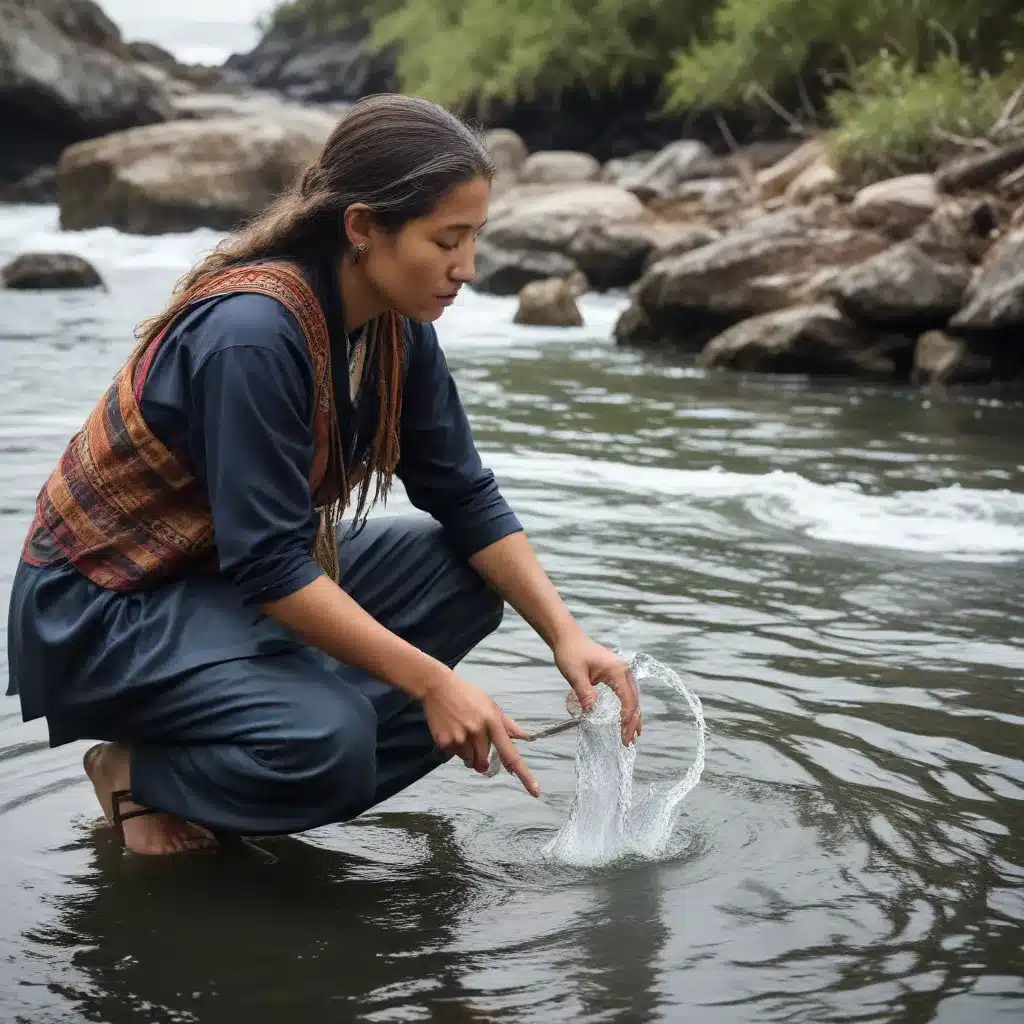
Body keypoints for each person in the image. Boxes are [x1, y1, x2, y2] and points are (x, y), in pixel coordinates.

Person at [5, 94, 641, 857]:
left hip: (212, 587)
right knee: (333, 746)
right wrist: (433, 684)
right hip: (99, 611)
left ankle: (266, 735)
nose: (467, 268)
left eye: (474, 239)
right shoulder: (250, 336)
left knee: (466, 581)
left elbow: (464, 493)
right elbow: (269, 563)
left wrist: (566, 636)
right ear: (363, 228)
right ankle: (144, 770)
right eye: (447, 240)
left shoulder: (398, 328)